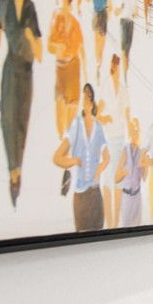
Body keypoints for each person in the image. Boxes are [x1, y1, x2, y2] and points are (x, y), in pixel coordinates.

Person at [0, 0, 41, 206]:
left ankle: (18, 170)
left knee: (21, 122)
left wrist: (30, 37)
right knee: (7, 118)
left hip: (26, 70)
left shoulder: (29, 7)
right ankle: (12, 171)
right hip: (10, 68)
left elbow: (39, 52)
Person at [53, 82, 108, 231]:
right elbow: (57, 157)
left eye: (87, 97)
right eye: (83, 97)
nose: (85, 101)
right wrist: (72, 161)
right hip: (81, 196)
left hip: (96, 194)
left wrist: (99, 170)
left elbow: (106, 157)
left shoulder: (98, 128)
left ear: (92, 102)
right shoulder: (76, 126)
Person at [48, 0, 84, 194]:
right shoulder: (57, 20)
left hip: (73, 69)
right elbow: (50, 45)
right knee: (60, 121)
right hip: (60, 69)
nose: (61, 3)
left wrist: (87, 74)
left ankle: (66, 169)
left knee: (69, 122)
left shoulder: (75, 24)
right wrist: (57, 48)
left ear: (68, 2)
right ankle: (65, 160)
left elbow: (80, 49)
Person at [99, 53, 129, 228]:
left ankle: (115, 224)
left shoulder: (123, 89)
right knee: (107, 183)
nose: (116, 69)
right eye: (115, 66)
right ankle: (109, 222)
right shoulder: (105, 85)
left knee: (117, 183)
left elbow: (127, 111)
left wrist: (131, 134)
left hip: (119, 138)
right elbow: (99, 110)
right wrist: (104, 119)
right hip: (108, 138)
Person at [116, 115, 149, 228]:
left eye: (137, 130)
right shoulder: (125, 150)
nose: (135, 133)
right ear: (130, 133)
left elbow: (144, 178)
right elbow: (116, 178)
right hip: (126, 197)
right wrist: (123, 173)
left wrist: (146, 165)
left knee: (137, 228)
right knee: (126, 228)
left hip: (137, 196)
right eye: (133, 130)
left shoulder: (142, 152)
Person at [86, 0, 110, 76]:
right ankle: (98, 63)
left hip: (101, 13)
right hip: (100, 12)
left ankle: (98, 62)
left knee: (100, 41)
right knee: (98, 40)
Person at [118, 0, 136, 77]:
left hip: (130, 22)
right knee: (124, 50)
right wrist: (121, 7)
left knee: (127, 50)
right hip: (124, 21)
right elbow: (118, 6)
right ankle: (124, 74)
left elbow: (134, 8)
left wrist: (135, 12)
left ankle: (125, 74)